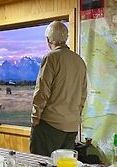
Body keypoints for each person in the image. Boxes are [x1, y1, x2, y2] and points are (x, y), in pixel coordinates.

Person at [30, 21, 87, 156]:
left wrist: (35, 117)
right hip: (71, 127)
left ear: (49, 39)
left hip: (49, 125)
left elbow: (42, 91)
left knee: (40, 162)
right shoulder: (79, 61)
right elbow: (83, 95)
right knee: (64, 163)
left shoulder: (51, 58)